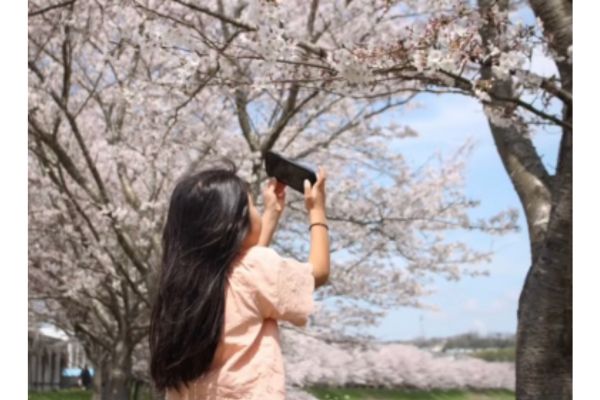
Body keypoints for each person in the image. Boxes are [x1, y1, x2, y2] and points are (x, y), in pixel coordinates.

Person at [149, 163, 330, 400]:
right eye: (252, 206)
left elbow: (246, 281)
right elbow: (318, 272)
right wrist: (317, 211)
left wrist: (271, 216)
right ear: (235, 225)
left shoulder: (180, 288)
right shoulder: (254, 270)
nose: (258, 212)